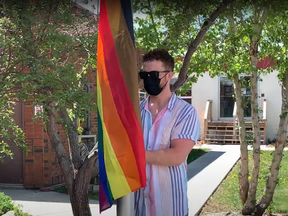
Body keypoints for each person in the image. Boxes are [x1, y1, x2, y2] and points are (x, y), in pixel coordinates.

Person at [135, 48, 200, 216]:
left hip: (170, 208)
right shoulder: (135, 113)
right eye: (145, 75)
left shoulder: (185, 112)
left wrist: (132, 155)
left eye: (154, 75)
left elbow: (176, 156)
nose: (148, 80)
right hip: (138, 207)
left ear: (170, 75)